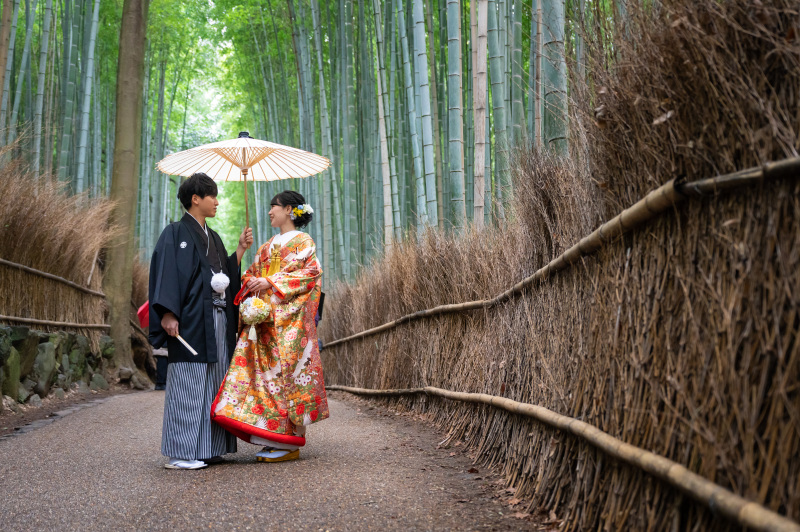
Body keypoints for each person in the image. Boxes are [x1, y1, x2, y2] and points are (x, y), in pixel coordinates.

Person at [211, 190, 329, 463]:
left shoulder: (303, 242)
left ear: (289, 209)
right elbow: (252, 274)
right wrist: (253, 282)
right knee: (264, 380)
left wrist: (271, 283)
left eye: (273, 207)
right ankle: (270, 435)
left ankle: (289, 441)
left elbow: (309, 275)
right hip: (264, 321)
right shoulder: (267, 246)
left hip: (288, 325)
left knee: (286, 379)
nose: (269, 212)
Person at [149, 172, 253, 470]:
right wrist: (168, 312)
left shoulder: (214, 237)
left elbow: (223, 277)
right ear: (196, 199)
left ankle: (207, 448)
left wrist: (241, 250)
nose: (217, 202)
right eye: (213, 196)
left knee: (215, 380)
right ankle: (181, 453)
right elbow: (167, 272)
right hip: (192, 320)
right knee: (189, 380)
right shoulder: (175, 233)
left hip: (217, 320)